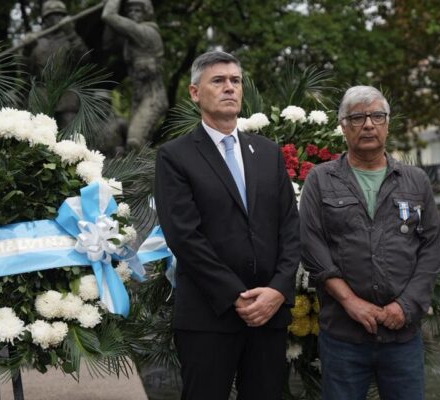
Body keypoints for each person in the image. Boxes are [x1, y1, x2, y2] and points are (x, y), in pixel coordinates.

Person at [154, 51, 299, 400]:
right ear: (194, 92)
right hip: (209, 316)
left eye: (236, 80)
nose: (229, 88)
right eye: (218, 81)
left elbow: (291, 229)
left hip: (269, 314)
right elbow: (184, 237)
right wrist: (236, 296)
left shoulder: (267, 153)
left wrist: (278, 290)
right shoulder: (175, 156)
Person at [300, 86, 440, 399]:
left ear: (387, 124)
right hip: (343, 335)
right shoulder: (321, 179)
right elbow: (311, 246)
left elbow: (432, 249)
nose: (368, 124)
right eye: (357, 117)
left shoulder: (415, 180)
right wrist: (351, 301)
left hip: (402, 335)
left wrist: (406, 306)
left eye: (377, 116)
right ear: (343, 125)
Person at [101, 0, 169, 149]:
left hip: (153, 96)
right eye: (130, 11)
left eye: (137, 10)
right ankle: (146, 170)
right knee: (134, 145)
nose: (132, 14)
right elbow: (107, 45)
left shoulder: (146, 32)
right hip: (138, 96)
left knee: (134, 141)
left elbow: (108, 15)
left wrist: (112, 3)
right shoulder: (130, 40)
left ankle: (154, 170)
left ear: (146, 13)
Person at [26, 0, 89, 129]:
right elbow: (24, 70)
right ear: (45, 19)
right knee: (39, 135)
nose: (57, 19)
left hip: (67, 95)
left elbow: (85, 59)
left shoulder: (71, 39)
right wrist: (26, 50)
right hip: (41, 94)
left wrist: (71, 34)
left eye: (61, 15)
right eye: (53, 15)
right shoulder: (37, 40)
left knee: (69, 134)